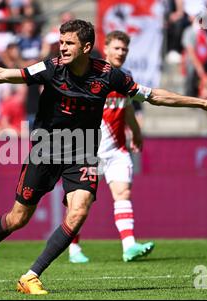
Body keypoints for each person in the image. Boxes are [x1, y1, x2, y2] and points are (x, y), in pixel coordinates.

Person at [0, 19, 207, 295]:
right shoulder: (51, 68)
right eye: (61, 41)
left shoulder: (110, 76)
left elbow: (154, 96)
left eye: (69, 43)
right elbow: (1, 75)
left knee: (79, 211)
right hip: (45, 148)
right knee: (19, 218)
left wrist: (202, 104)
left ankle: (30, 276)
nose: (63, 47)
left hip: (82, 149)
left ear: (86, 47)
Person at [68, 31, 154, 264]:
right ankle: (73, 249)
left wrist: (135, 132)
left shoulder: (126, 76)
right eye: (116, 48)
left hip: (116, 149)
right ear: (105, 49)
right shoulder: (90, 74)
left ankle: (129, 246)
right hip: (88, 150)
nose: (121, 53)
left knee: (123, 193)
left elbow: (126, 107)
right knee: (79, 204)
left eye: (124, 49)